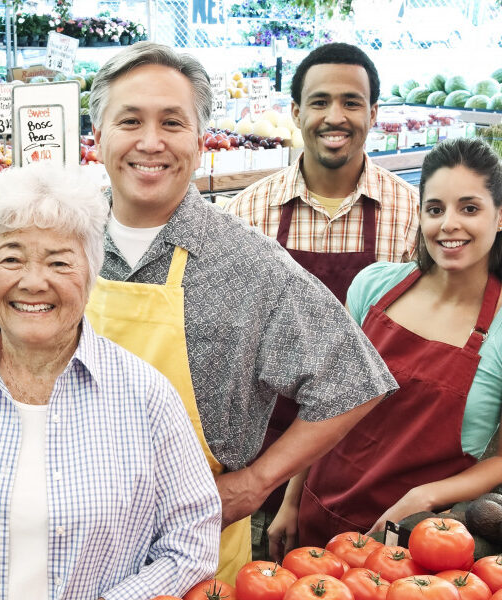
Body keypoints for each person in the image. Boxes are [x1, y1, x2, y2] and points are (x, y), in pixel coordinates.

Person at [86, 41, 398, 582]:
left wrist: (257, 483)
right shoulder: (63, 242)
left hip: (192, 552)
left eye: (172, 122)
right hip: (68, 541)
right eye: (130, 121)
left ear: (200, 140)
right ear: (97, 136)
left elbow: (353, 380)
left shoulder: (248, 262)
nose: (151, 142)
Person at [0, 164, 221, 599]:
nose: (34, 282)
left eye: (59, 262)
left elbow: (193, 539)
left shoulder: (145, 395)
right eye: (11, 259)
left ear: (91, 272)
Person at [270, 138, 502, 553]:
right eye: (435, 209)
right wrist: (292, 498)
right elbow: (327, 401)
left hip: (418, 543)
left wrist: (424, 496)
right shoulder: (373, 287)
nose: (449, 224)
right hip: (319, 516)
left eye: (469, 208)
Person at [224, 43, 420, 537]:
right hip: (261, 453)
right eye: (319, 102)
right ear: (295, 113)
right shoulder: (248, 212)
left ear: (373, 113)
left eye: (352, 102)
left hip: (367, 458)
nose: (335, 117)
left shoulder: (412, 215)